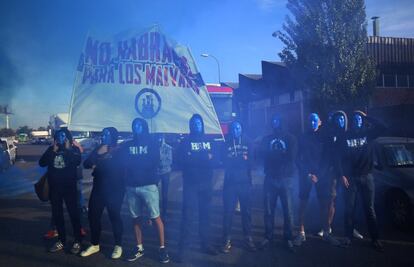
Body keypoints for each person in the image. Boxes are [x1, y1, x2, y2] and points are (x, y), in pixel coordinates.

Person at [121, 118, 169, 263]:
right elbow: (124, 162)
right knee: (135, 218)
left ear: (144, 127)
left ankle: (162, 248)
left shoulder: (152, 143)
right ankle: (139, 247)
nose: (136, 127)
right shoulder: (128, 145)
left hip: (148, 185)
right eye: (134, 125)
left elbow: (153, 162)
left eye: (139, 125)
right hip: (131, 186)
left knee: (155, 217)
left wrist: (136, 164)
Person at [337, 111, 386, 252]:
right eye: (355, 118)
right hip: (351, 178)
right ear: (352, 122)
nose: (357, 120)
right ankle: (348, 237)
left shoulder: (369, 134)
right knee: (349, 209)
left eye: (360, 118)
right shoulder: (345, 136)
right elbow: (338, 157)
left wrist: (367, 116)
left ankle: (375, 239)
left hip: (367, 177)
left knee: (369, 209)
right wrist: (342, 175)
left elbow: (384, 126)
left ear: (363, 121)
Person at [294, 113, 340, 246]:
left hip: (321, 176)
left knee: (324, 204)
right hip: (306, 175)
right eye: (310, 120)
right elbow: (297, 158)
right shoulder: (302, 137)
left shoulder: (325, 137)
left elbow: (328, 158)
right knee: (303, 203)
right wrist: (307, 173)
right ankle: (301, 233)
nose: (312, 122)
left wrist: (319, 175)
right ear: (307, 122)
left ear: (320, 122)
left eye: (315, 120)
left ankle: (326, 233)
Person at [177, 114, 218, 262]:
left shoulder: (209, 140)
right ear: (190, 125)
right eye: (194, 123)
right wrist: (204, 157)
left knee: (205, 216)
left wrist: (193, 157)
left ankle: (205, 244)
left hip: (206, 184)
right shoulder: (185, 142)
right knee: (188, 217)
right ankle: (183, 249)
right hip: (190, 185)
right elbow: (182, 160)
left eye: (199, 122)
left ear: (202, 124)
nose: (196, 125)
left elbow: (216, 160)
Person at [80, 127, 125, 259]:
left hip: (115, 189)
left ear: (113, 136)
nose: (103, 136)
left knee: (114, 216)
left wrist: (99, 164)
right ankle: (95, 244)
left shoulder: (119, 149)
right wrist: (99, 154)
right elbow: (87, 163)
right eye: (103, 134)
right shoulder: (99, 148)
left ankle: (118, 245)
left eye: (106, 134)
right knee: (93, 215)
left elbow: (118, 167)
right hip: (99, 188)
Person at [39, 128, 82, 254]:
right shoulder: (52, 150)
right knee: (57, 216)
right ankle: (62, 241)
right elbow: (41, 163)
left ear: (68, 137)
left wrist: (68, 149)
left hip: (69, 189)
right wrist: (52, 151)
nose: (60, 138)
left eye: (63, 136)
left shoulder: (73, 150)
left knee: (74, 215)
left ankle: (77, 241)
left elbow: (77, 161)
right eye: (58, 136)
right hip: (55, 189)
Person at [259, 114, 297, 252]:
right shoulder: (267, 138)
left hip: (286, 179)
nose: (275, 123)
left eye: (277, 120)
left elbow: (291, 157)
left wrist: (272, 155)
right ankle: (268, 237)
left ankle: (288, 238)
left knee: (288, 211)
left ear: (282, 121)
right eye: (273, 120)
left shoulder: (291, 138)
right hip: (270, 178)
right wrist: (281, 154)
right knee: (269, 211)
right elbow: (261, 154)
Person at [221, 121, 256, 253]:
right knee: (228, 213)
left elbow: (252, 162)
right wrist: (241, 159)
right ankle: (226, 239)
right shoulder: (226, 143)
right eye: (234, 128)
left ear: (241, 129)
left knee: (246, 213)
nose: (236, 130)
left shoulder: (248, 142)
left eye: (238, 127)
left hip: (245, 182)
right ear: (231, 130)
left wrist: (237, 160)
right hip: (230, 183)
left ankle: (248, 238)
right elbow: (223, 161)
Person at [157, 134, 173, 218]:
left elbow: (170, 161)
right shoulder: (153, 147)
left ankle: (164, 213)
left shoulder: (168, 147)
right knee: (154, 194)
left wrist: (160, 163)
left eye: (160, 137)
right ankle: (155, 212)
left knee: (164, 194)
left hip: (166, 172)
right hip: (156, 172)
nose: (159, 139)